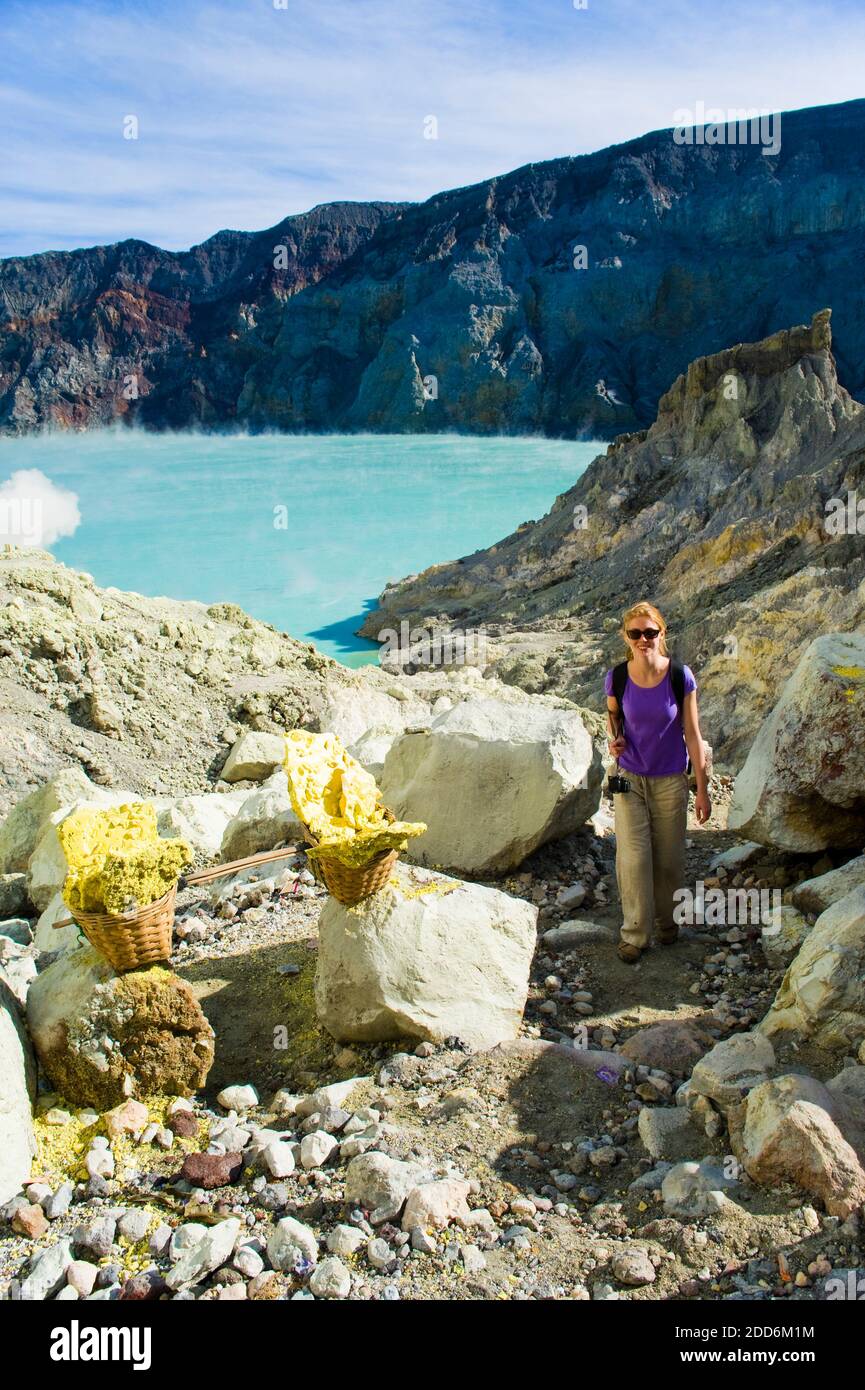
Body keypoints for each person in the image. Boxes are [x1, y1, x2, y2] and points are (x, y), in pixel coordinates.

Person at [604, 602, 711, 964]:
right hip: (630, 778)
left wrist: (702, 787)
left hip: (670, 780)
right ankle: (635, 934)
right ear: (626, 637)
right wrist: (615, 739)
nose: (643, 639)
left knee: (668, 859)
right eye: (635, 633)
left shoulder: (680, 676)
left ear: (661, 634)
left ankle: (668, 923)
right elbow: (613, 716)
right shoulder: (617, 677)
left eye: (650, 632)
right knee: (633, 858)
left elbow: (693, 735)